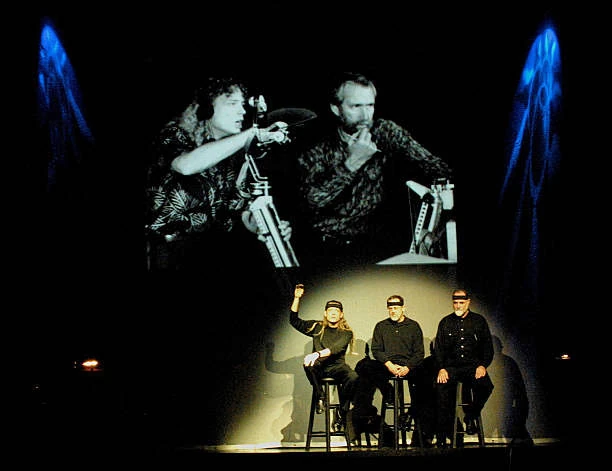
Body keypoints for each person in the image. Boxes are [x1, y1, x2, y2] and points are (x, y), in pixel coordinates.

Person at [293, 71, 454, 272]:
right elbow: (312, 201)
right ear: (336, 109)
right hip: (325, 251)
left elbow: (436, 166)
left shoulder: (384, 132)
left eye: (369, 105)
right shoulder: (317, 146)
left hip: (375, 247)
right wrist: (353, 162)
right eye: (355, 106)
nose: (365, 115)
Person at [145, 76, 293, 272]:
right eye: (232, 103)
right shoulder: (175, 134)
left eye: (243, 104)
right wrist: (252, 133)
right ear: (208, 107)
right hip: (165, 255)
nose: (242, 111)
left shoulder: (236, 153)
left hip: (211, 253)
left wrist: (263, 225)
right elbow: (186, 166)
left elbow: (239, 210)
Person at [351, 294, 427, 445]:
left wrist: (407, 367)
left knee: (425, 374)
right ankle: (387, 393)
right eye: (390, 308)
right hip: (387, 365)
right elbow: (376, 350)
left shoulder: (413, 326)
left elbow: (419, 353)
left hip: (408, 366)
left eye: (396, 308)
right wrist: (389, 365)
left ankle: (413, 417)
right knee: (366, 366)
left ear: (403, 308)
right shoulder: (381, 326)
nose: (393, 311)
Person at [289, 283, 358, 431]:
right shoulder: (317, 327)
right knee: (308, 364)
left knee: (352, 376)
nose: (333, 313)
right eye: (330, 310)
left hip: (337, 368)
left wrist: (317, 353)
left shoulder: (346, 332)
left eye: (336, 311)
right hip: (320, 368)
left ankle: (342, 410)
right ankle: (320, 396)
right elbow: (294, 321)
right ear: (325, 313)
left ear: (341, 315)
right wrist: (297, 298)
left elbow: (336, 349)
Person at [433, 289, 494, 448]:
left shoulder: (479, 321)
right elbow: (439, 349)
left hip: (472, 367)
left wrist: (482, 365)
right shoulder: (445, 322)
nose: (458, 306)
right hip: (451, 368)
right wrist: (441, 368)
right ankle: (444, 436)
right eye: (455, 303)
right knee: (440, 391)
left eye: (461, 302)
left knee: (486, 386)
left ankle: (471, 415)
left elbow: (488, 348)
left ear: (468, 302)